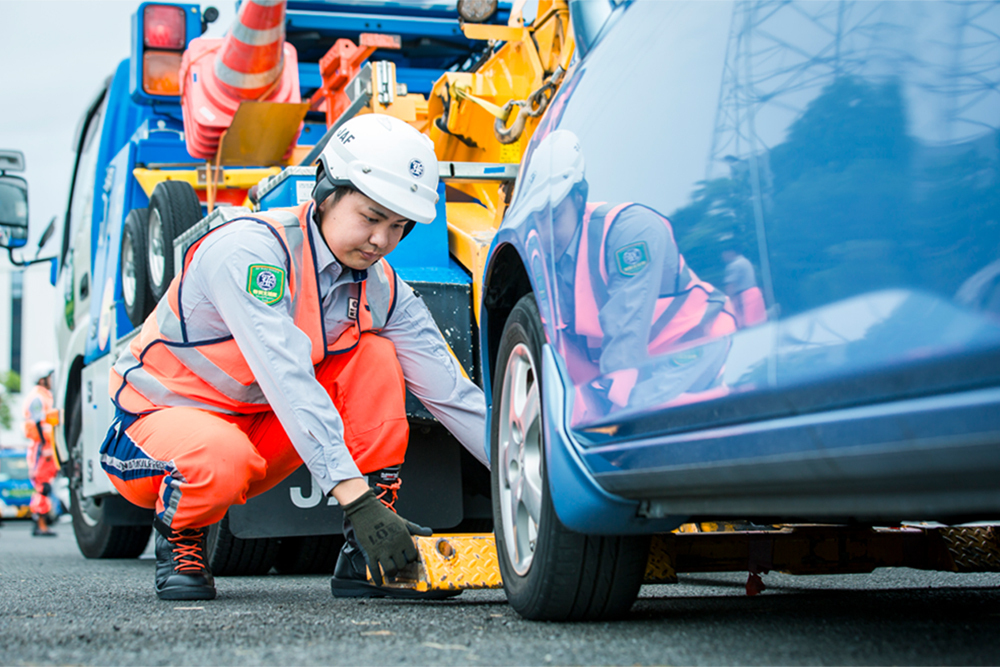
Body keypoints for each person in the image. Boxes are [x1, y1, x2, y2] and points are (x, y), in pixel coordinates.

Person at [100, 114, 486, 601]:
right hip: (158, 428)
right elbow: (287, 376)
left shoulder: (383, 287)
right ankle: (181, 537)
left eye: (398, 226)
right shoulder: (250, 251)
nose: (381, 241)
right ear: (325, 190)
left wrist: (532, 476)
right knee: (219, 458)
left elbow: (453, 393)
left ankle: (363, 557)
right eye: (370, 217)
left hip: (260, 428)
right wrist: (356, 499)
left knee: (375, 356)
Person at [516, 130, 738, 418]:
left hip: (690, 344)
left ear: (579, 198)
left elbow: (625, 337)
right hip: (630, 370)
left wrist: (609, 417)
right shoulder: (547, 260)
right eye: (539, 220)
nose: (546, 234)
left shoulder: (630, 232)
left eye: (554, 217)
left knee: (641, 422)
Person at [23, 361, 59, 537]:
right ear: (42, 379)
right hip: (41, 446)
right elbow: (38, 422)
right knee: (42, 486)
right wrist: (45, 445)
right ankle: (40, 523)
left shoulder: (45, 395)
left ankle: (42, 522)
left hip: (45, 445)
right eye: (49, 377)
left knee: (46, 485)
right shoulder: (38, 396)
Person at [722, 244, 767, 328]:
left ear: (731, 252)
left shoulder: (734, 265)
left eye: (724, 253)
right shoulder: (745, 261)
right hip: (755, 294)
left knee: (745, 326)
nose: (723, 256)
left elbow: (730, 286)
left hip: (744, 297)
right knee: (759, 322)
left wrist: (730, 302)